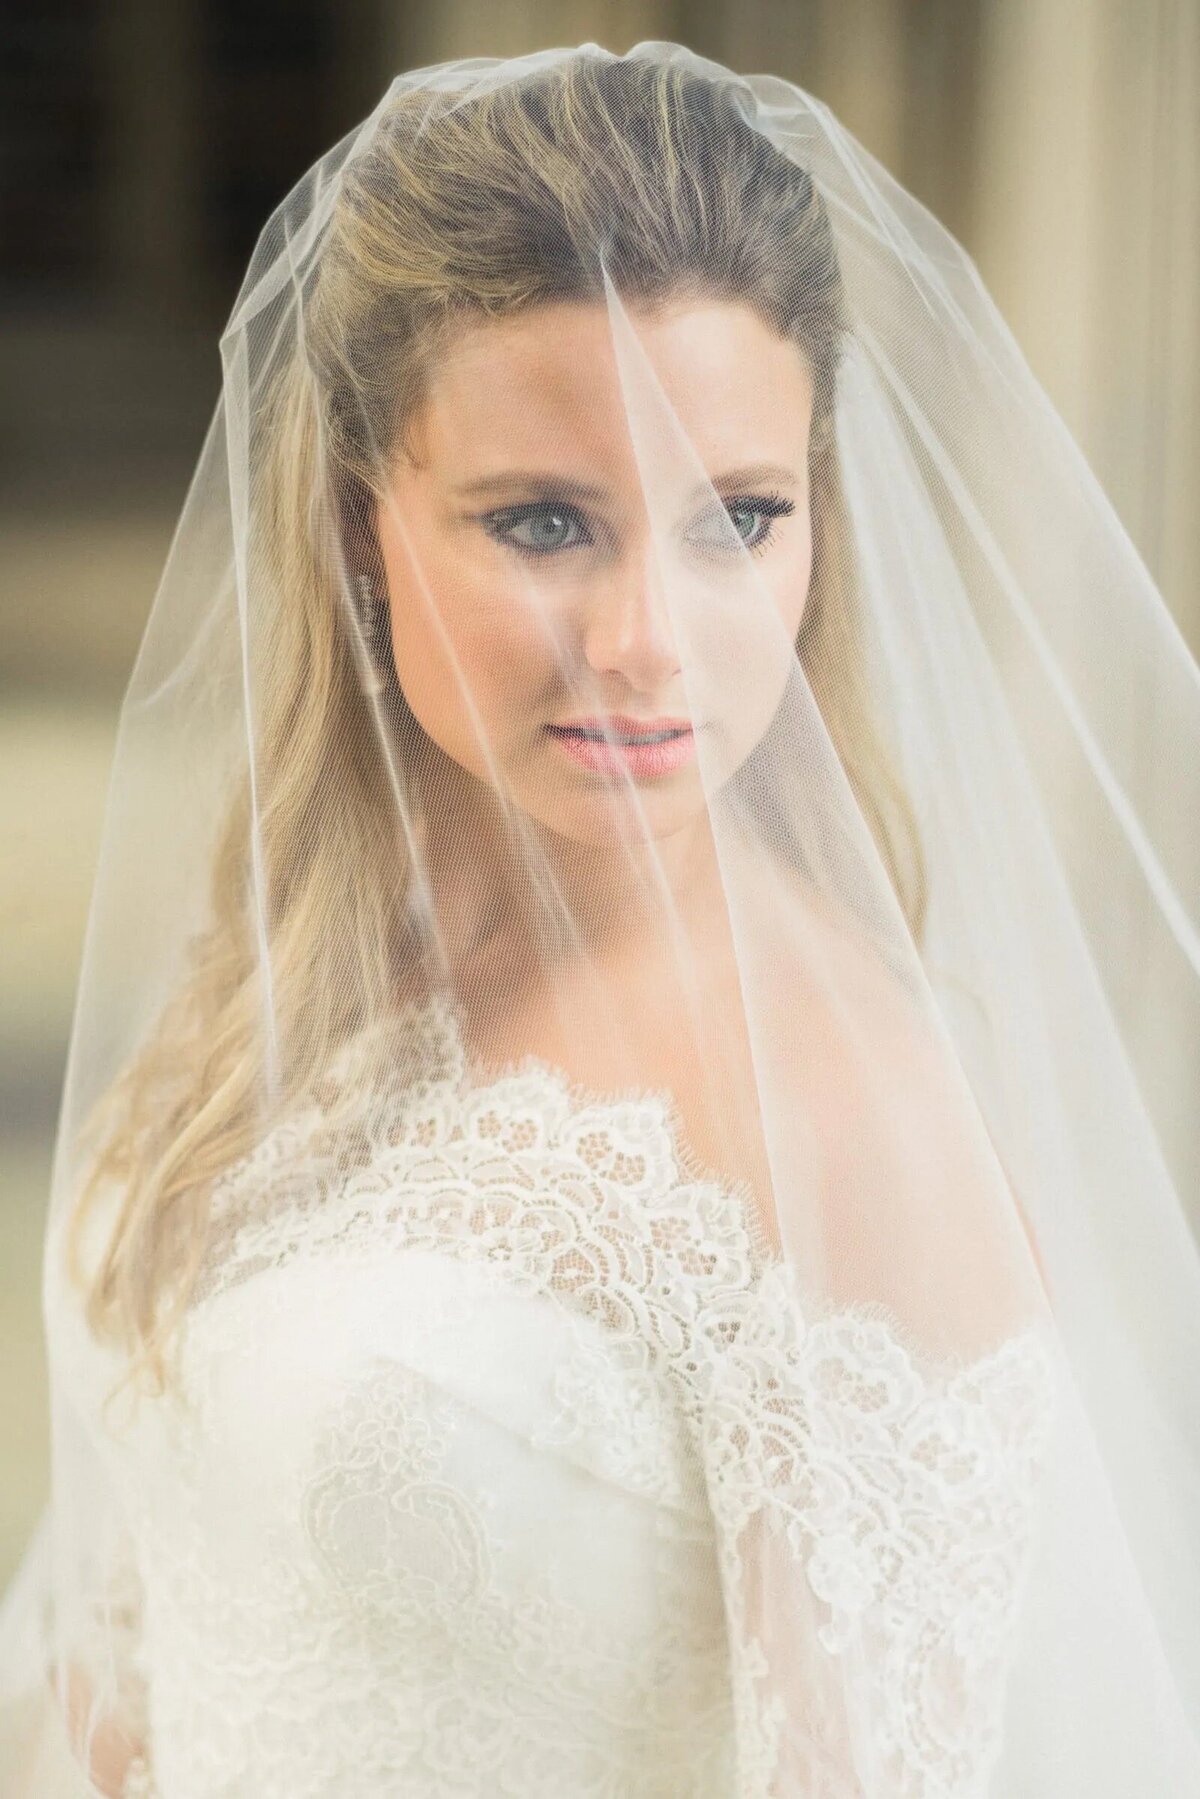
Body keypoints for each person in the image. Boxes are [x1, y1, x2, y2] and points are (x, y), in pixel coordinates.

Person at [3, 39, 1200, 1797]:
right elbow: (122, 1661)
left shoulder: (843, 1116)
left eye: (740, 519)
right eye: (548, 521)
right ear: (359, 524)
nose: (649, 638)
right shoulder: (293, 971)